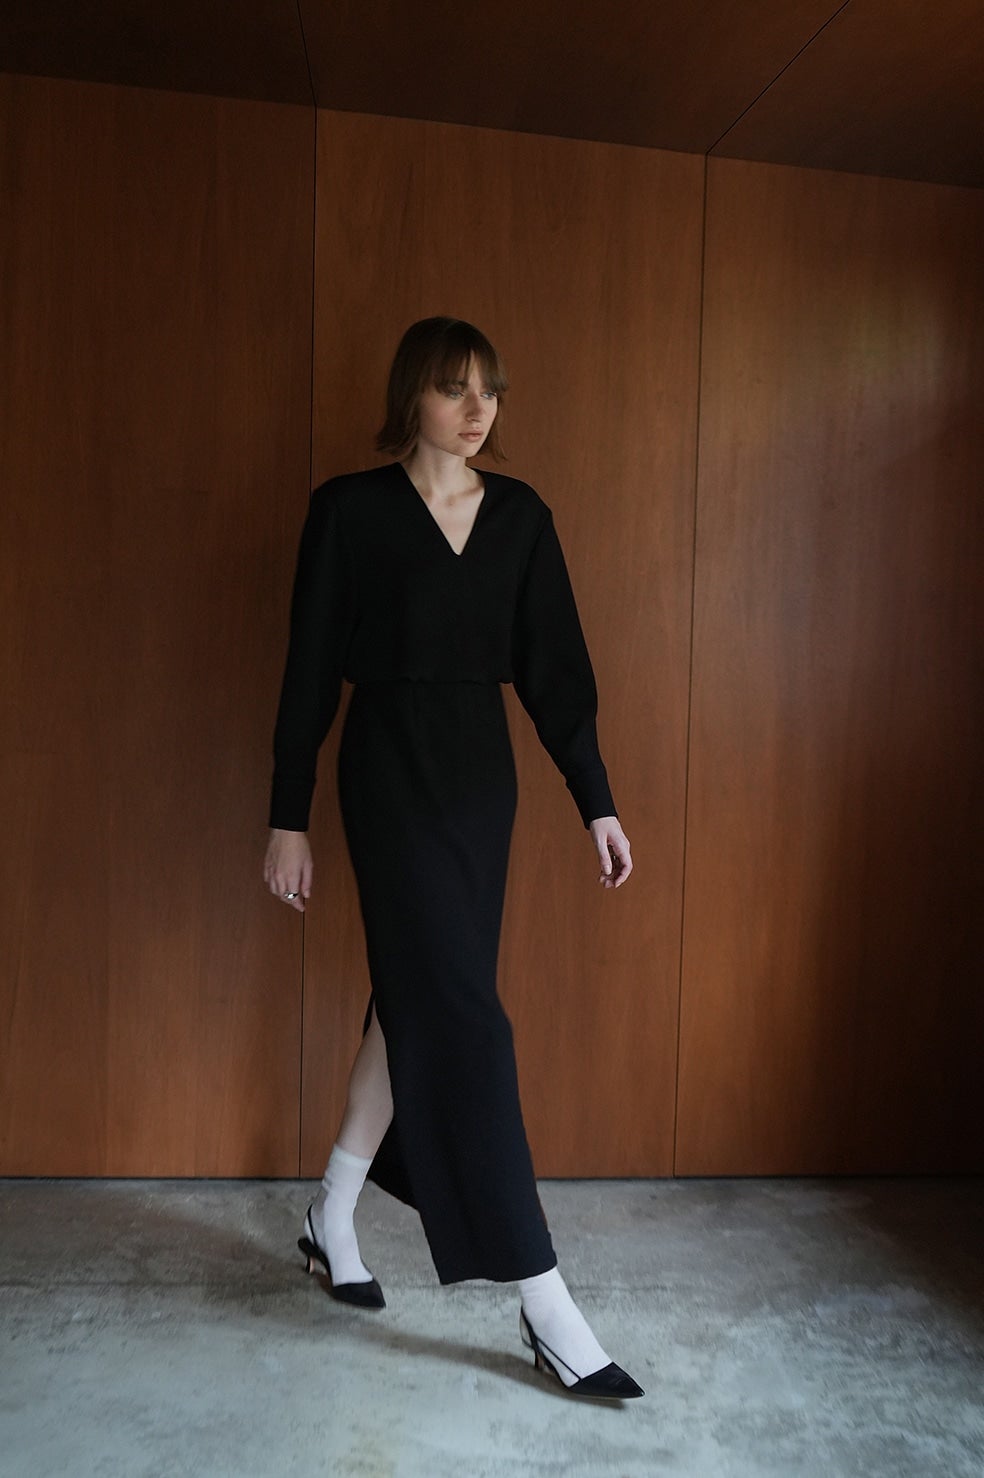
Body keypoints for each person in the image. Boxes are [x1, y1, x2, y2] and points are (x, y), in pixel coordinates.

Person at [263, 316, 643, 1400]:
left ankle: (332, 1210)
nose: (478, 409)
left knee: (419, 998)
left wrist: (596, 801)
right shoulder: (348, 511)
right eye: (454, 388)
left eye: (491, 390)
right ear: (412, 397)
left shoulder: (522, 517)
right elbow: (307, 673)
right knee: (463, 1012)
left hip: (483, 783)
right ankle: (542, 1295)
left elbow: (557, 675)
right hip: (387, 774)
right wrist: (287, 815)